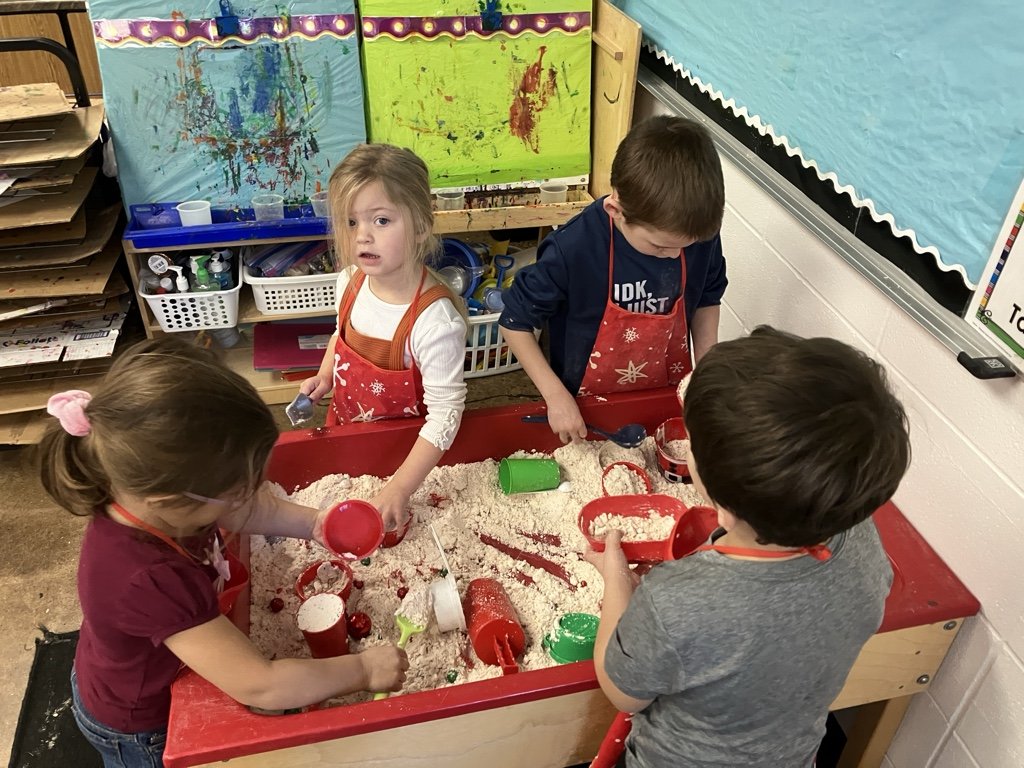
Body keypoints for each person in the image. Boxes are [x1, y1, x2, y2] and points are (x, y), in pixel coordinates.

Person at [39, 337, 408, 768]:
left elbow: (241, 510)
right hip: (144, 723)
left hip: (144, 655)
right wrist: (361, 671)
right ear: (169, 499)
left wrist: (313, 523)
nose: (251, 493)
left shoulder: (152, 491)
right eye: (238, 488)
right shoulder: (148, 576)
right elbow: (259, 684)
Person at [583, 326, 911, 768]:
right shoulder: (860, 538)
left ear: (727, 510)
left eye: (692, 445)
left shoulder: (677, 599)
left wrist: (617, 581)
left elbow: (623, 690)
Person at [499, 115, 727, 443]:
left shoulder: (694, 231)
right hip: (584, 401)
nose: (677, 256)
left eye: (686, 247)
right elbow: (514, 322)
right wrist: (555, 397)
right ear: (615, 210)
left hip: (665, 390)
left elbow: (707, 295)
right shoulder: (574, 248)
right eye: (661, 246)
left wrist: (706, 376)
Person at [300, 144, 467, 533]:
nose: (363, 238)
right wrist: (326, 376)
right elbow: (338, 337)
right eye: (352, 222)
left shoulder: (434, 322)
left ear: (422, 226)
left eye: (381, 220)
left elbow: (446, 416)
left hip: (406, 455)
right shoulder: (349, 281)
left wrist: (399, 489)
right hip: (348, 427)